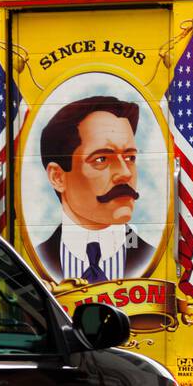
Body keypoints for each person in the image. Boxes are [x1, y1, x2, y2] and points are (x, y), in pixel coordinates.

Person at [36, 95, 157, 283]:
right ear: (57, 177)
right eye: (101, 159)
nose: (125, 173)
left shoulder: (148, 256)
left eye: (130, 158)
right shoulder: (38, 259)